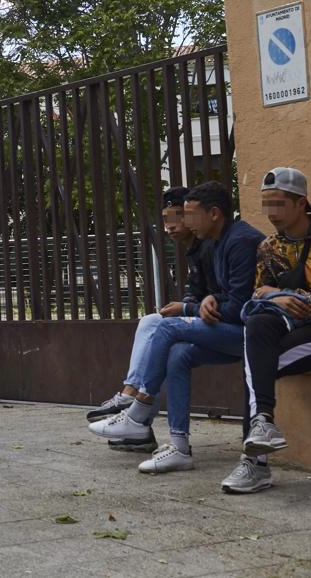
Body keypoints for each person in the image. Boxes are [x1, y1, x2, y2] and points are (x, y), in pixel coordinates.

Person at [89, 181, 265, 474]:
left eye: (189, 214)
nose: (184, 222)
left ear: (214, 214)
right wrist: (209, 300)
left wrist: (192, 308)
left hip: (252, 335)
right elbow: (222, 293)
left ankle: (139, 410)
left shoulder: (239, 241)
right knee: (179, 353)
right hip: (232, 330)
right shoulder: (220, 241)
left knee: (167, 328)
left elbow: (241, 306)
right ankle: (179, 447)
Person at [221, 168, 311, 494]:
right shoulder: (269, 247)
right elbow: (258, 295)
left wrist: (295, 296)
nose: (271, 214)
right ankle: (264, 427)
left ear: (301, 203)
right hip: (289, 327)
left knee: (256, 373)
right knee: (257, 325)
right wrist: (276, 296)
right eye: (266, 204)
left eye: (279, 204)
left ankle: (254, 463)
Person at [86, 186, 213, 453]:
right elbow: (198, 293)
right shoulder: (195, 251)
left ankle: (131, 399)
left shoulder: (209, 247)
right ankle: (138, 425)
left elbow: (218, 297)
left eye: (178, 216)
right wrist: (185, 305)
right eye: (166, 219)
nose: (171, 225)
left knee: (154, 326)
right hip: (206, 320)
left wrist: (186, 308)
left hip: (222, 323)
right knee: (161, 339)